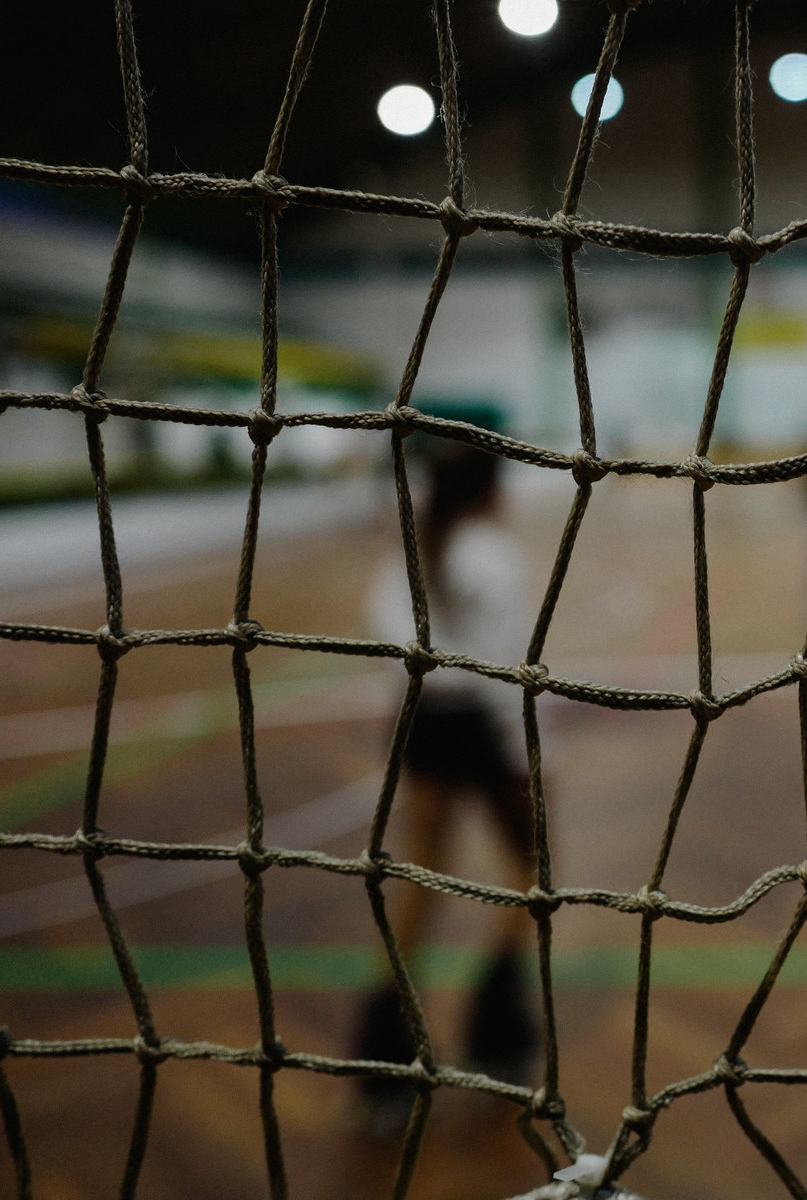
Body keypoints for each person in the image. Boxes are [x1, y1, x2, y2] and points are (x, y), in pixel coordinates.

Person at [353, 445, 539, 1136]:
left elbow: (390, 647)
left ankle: (384, 1058)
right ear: (490, 488)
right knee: (532, 872)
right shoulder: (492, 552)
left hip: (420, 723)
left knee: (417, 883)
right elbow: (505, 670)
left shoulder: (410, 548)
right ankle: (496, 1033)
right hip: (481, 727)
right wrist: (521, 756)